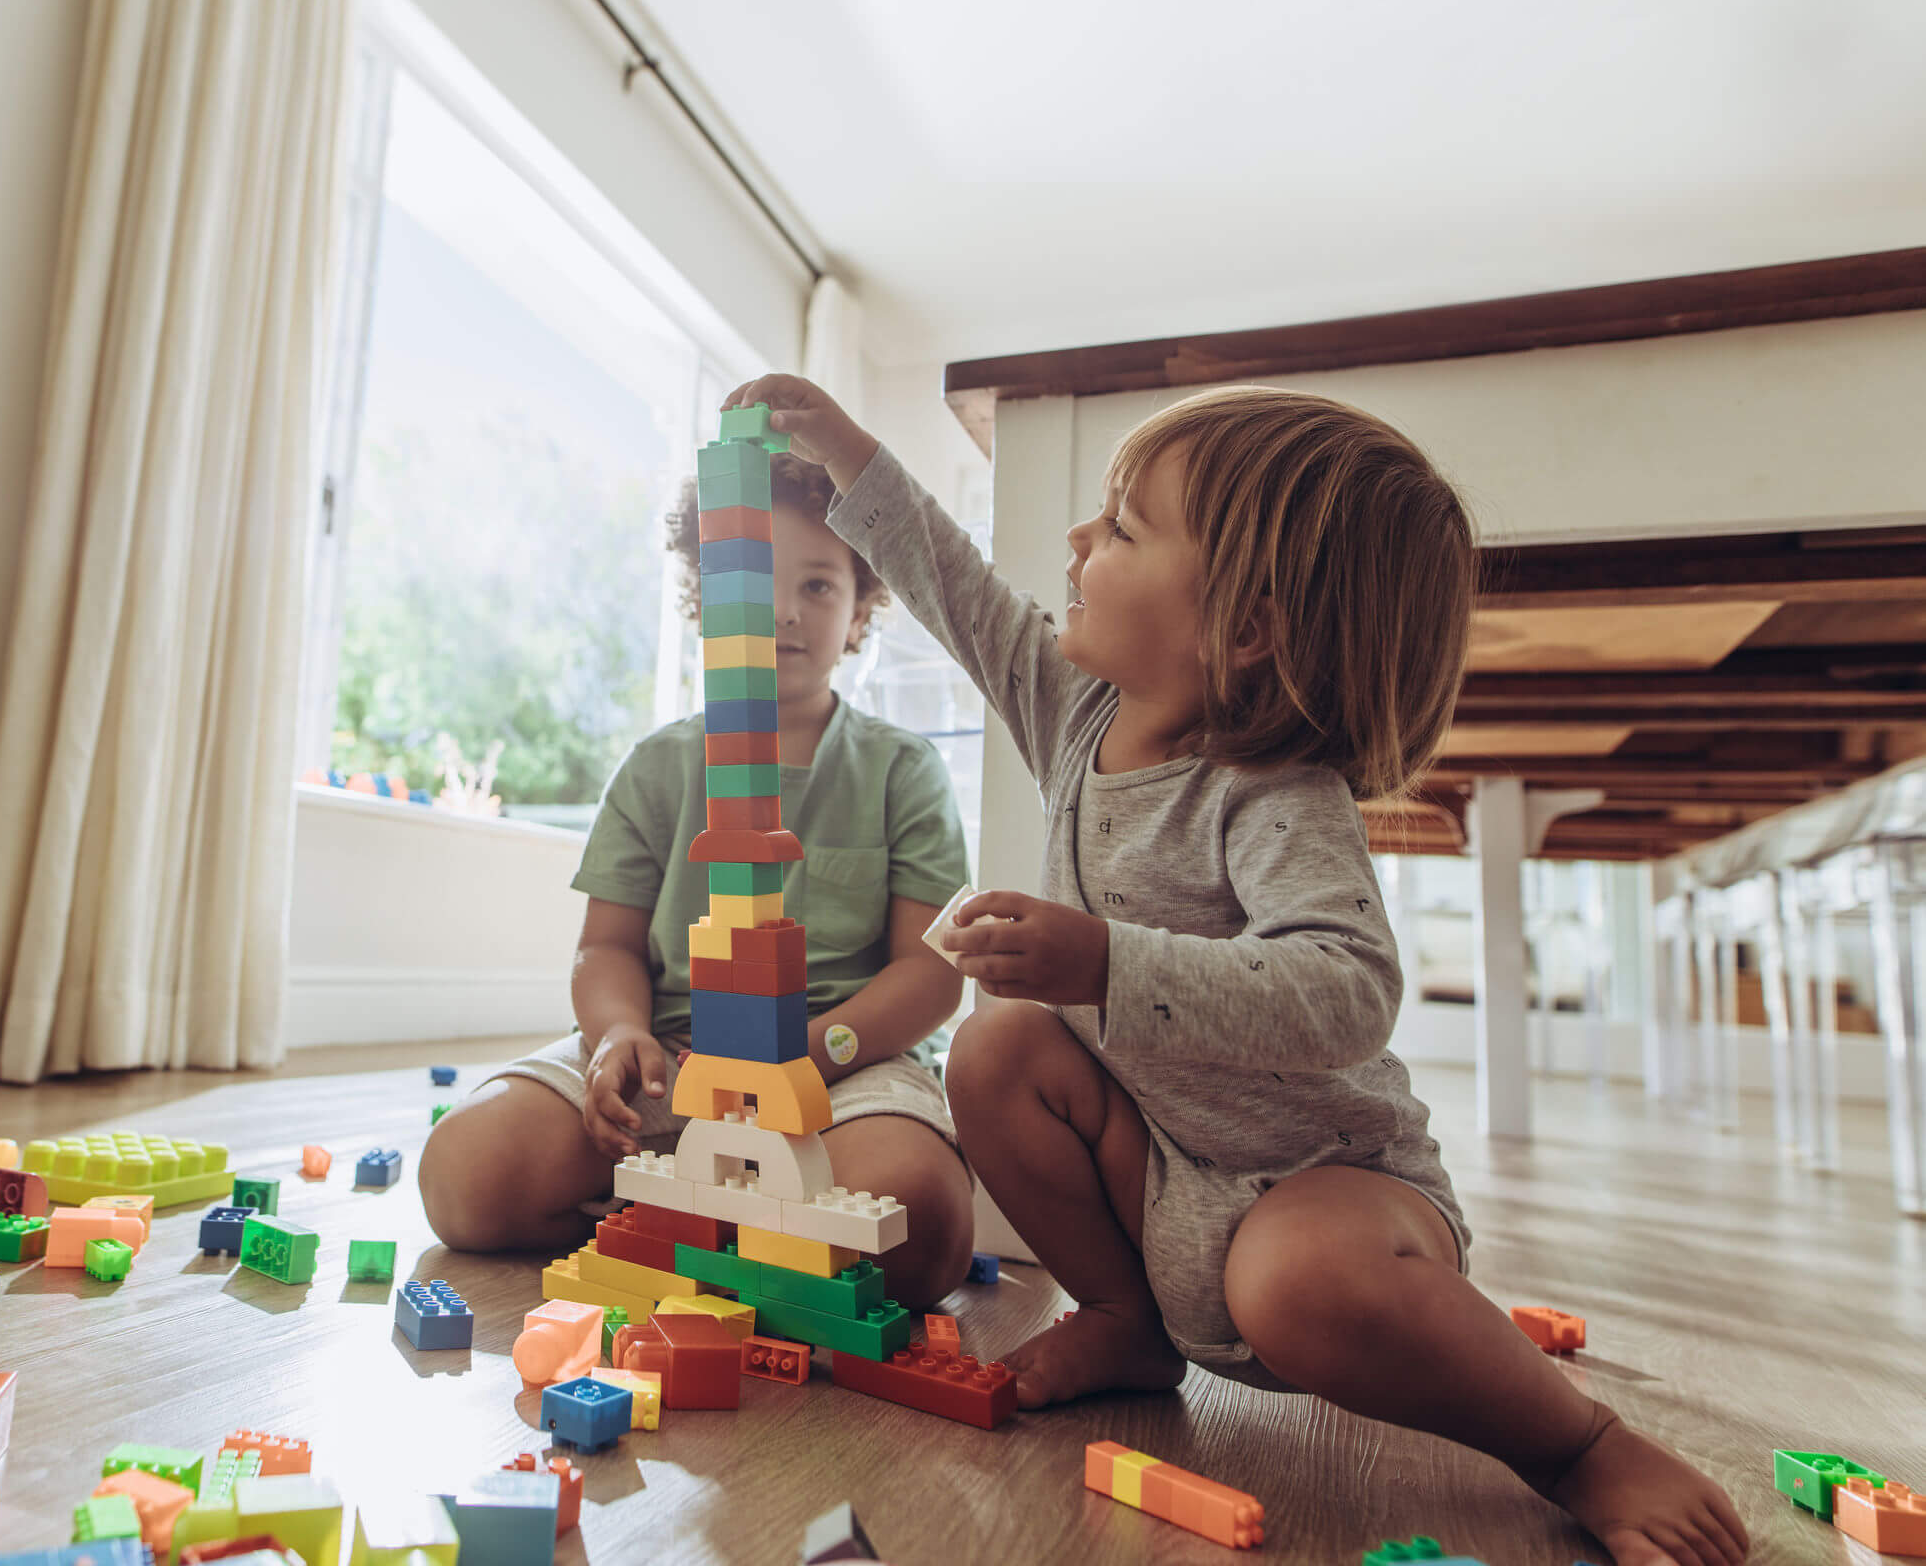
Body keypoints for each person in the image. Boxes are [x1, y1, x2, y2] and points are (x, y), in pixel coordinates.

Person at [722, 373, 1747, 1566]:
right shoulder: (1075, 713)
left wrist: (1103, 957)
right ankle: (1125, 1321)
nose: (1077, 539)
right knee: (1001, 1042)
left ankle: (1580, 1447)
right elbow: (957, 588)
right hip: (1169, 1173)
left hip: (1332, 1184)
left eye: (1121, 527)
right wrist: (847, 448)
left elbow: (1349, 991)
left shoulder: (1276, 796)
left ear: (1244, 627)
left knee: (1296, 1277)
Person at [418, 449, 976, 1311]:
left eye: (820, 586)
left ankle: (699, 1227)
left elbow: (931, 973)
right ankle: (700, 1227)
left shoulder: (902, 771)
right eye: (750, 583)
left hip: (843, 1066)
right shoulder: (657, 767)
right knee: (465, 1173)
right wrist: (616, 1036)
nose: (784, 613)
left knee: (917, 1224)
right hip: (665, 1060)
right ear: (702, 601)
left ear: (862, 609)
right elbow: (604, 946)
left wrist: (819, 1050)